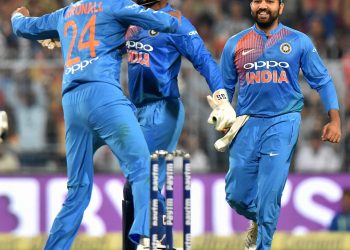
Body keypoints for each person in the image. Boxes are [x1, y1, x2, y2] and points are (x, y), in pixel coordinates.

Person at [11, 1, 181, 249]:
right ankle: (149, 239)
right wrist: (172, 18)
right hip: (104, 98)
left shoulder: (65, 13)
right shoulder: (115, 5)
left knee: (78, 189)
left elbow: (24, 27)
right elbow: (165, 22)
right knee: (142, 168)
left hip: (72, 103)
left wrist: (18, 15)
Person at [218, 0, 341, 249]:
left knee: (270, 192)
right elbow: (224, 89)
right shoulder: (235, 43)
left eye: (270, 1)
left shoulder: (299, 41)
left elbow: (323, 81)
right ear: (251, 6)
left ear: (281, 7)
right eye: (257, 1)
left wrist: (335, 119)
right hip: (246, 123)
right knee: (236, 196)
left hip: (283, 121)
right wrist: (223, 114)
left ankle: (263, 244)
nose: (263, 6)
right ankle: (259, 219)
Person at [121, 0, 236, 248]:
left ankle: (156, 243)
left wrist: (221, 97)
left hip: (163, 109)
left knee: (146, 180)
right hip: (136, 110)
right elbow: (104, 38)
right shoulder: (132, 16)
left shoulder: (174, 21)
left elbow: (204, 59)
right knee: (132, 189)